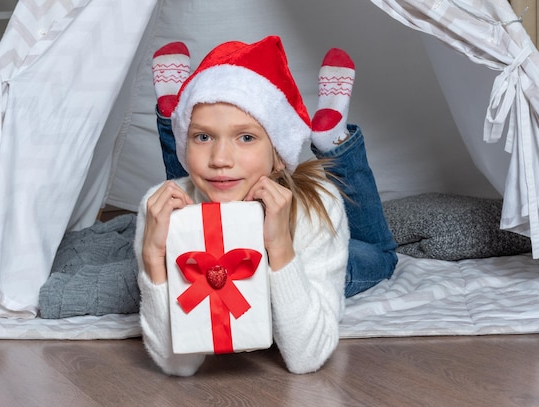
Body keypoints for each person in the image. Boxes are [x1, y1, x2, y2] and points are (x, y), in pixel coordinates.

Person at [134, 36, 397, 376]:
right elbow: (178, 364)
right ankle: (175, 116)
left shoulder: (315, 209)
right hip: (205, 198)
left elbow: (307, 357)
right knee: (203, 182)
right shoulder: (157, 208)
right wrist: (153, 260)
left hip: (305, 252)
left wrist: (281, 248)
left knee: (380, 255)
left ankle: (333, 140)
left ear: (277, 155)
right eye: (202, 136)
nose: (220, 159)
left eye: (246, 137)